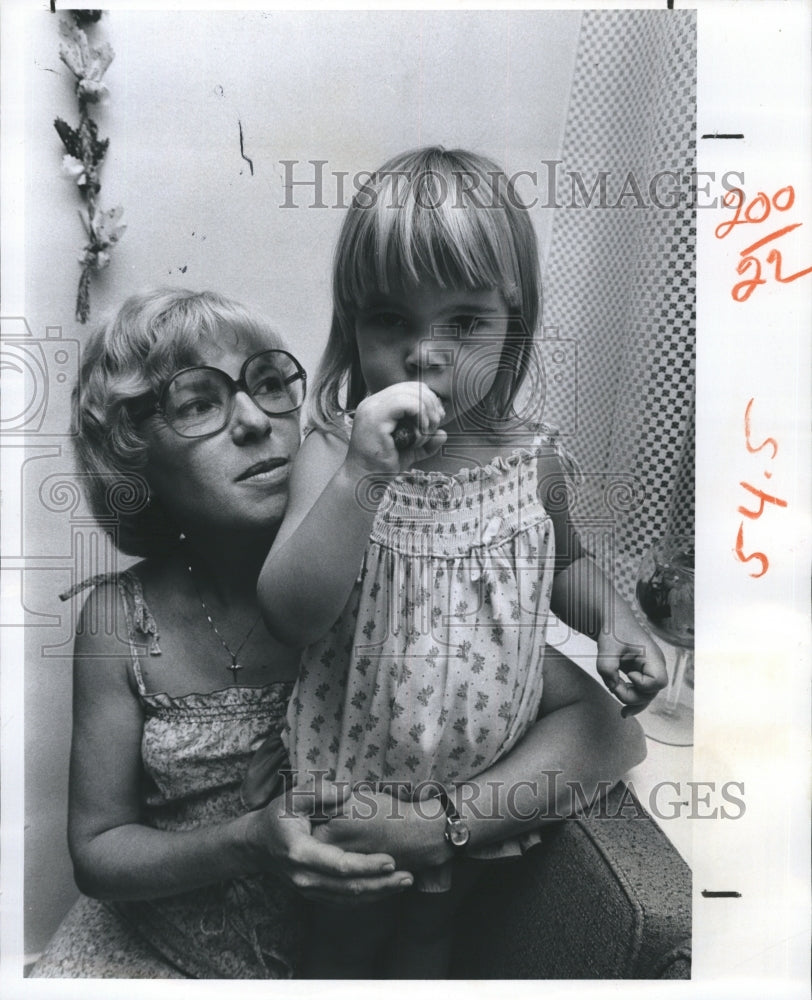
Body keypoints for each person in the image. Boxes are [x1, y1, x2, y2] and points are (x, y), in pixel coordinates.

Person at [257, 146, 667, 978]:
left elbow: (563, 565)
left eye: (464, 323)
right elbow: (292, 613)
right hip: (353, 784)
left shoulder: (533, 458)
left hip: (480, 788)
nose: (425, 354)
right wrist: (363, 478)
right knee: (343, 948)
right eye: (391, 322)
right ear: (352, 324)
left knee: (433, 946)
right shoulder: (337, 453)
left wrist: (615, 618)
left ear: (513, 322)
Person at [30, 288, 413, 979]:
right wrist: (246, 839)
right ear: (136, 455)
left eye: (269, 384)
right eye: (200, 402)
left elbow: (594, 722)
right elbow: (98, 851)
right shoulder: (122, 618)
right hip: (143, 947)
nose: (254, 420)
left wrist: (447, 826)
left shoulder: (378, 572)